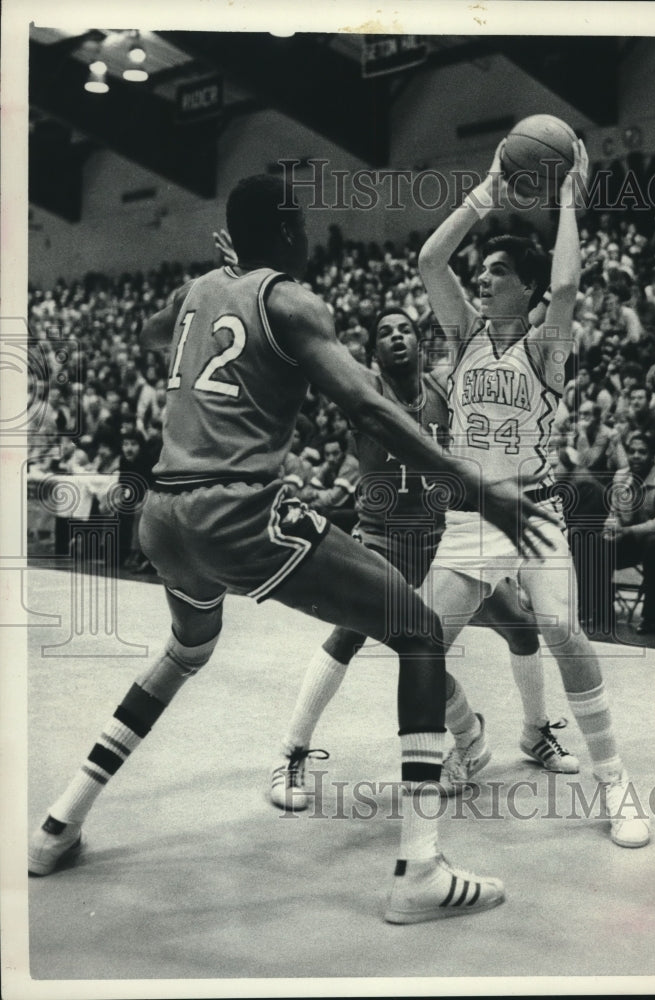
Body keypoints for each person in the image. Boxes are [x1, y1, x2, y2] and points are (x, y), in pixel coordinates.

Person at [29, 174, 556, 925]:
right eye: (301, 225)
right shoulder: (292, 299)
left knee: (185, 650)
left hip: (162, 516)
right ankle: (419, 869)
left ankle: (60, 822)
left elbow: (155, 334)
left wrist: (219, 279)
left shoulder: (200, 289)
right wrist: (476, 484)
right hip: (235, 511)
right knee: (416, 632)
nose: (309, 238)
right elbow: (368, 403)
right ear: (285, 231)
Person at [415, 136, 650, 848]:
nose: (480, 281)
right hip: (470, 517)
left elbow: (570, 286)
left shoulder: (546, 344)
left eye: (494, 273)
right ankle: (469, 741)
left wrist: (570, 195)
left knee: (560, 631)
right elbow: (430, 259)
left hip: (535, 513)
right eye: (480, 273)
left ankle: (615, 785)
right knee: (418, 647)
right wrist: (486, 191)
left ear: (525, 285)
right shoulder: (461, 335)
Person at [270, 308, 579, 811]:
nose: (396, 337)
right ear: (373, 352)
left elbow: (501, 353)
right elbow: (306, 360)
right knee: (349, 636)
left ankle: (533, 731)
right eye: (384, 332)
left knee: (522, 628)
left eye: (404, 330)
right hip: (384, 542)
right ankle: (292, 752)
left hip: (443, 543)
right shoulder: (366, 389)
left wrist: (534, 303)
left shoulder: (443, 388)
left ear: (419, 342)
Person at [602, 432, 655, 634]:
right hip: (626, 541)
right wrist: (611, 528)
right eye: (632, 451)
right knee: (595, 543)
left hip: (654, 543)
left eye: (642, 452)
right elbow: (614, 511)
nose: (636, 456)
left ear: (653, 454)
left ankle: (650, 616)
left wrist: (626, 531)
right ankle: (600, 606)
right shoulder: (621, 476)